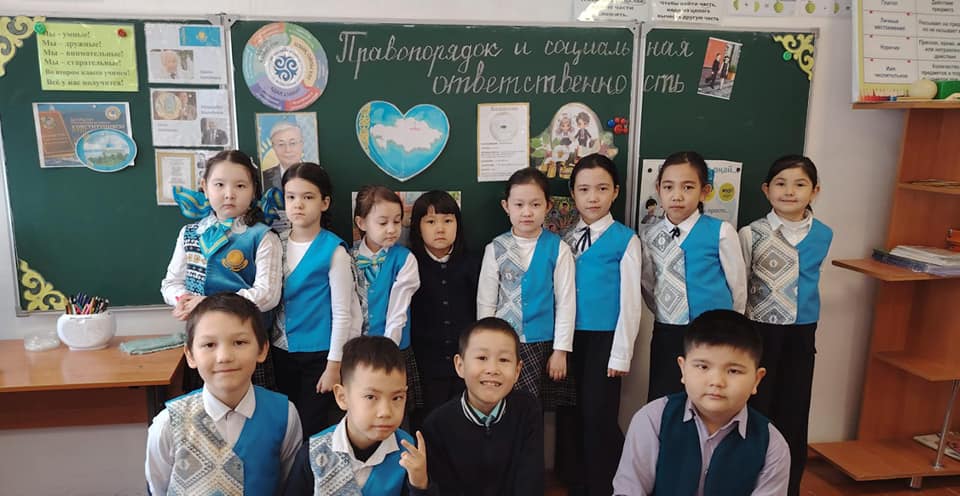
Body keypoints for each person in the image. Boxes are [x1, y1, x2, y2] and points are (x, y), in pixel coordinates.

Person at [613, 309, 790, 496]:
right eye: (703, 367)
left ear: (757, 379)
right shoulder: (652, 420)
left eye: (733, 371)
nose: (717, 382)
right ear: (683, 369)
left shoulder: (771, 445)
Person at [145, 293, 303, 495]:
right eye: (209, 345)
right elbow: (158, 488)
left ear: (262, 349)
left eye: (239, 342)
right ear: (190, 355)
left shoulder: (285, 415)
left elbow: (288, 485)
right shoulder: (168, 423)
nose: (224, 357)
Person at [740, 155, 832, 496]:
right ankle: (748, 482)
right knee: (757, 406)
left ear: (815, 191)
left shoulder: (823, 234)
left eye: (800, 184)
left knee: (794, 408)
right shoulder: (751, 233)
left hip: (802, 333)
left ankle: (788, 487)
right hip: (760, 330)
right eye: (780, 183)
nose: (789, 191)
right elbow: (740, 284)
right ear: (766, 190)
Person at [556, 154, 643, 496]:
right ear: (573, 194)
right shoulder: (565, 237)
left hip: (605, 339)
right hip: (566, 337)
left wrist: (621, 353)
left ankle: (603, 484)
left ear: (616, 192)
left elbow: (631, 303)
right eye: (584, 189)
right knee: (570, 410)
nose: (593, 197)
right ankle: (572, 479)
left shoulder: (625, 239)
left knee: (598, 413)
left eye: (602, 189)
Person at [161, 150, 281, 388]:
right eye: (219, 185)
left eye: (240, 186)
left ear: (253, 190)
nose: (229, 194)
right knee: (203, 406)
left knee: (254, 404)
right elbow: (171, 283)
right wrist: (182, 299)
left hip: (245, 342)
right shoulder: (189, 233)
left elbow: (267, 295)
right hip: (203, 343)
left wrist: (206, 303)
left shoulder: (262, 236)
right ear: (205, 187)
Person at [641, 151, 746, 402]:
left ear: (704, 191)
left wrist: (731, 325)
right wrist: (667, 312)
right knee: (666, 396)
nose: (677, 195)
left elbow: (738, 286)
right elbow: (648, 284)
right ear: (658, 189)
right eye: (668, 187)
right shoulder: (649, 236)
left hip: (714, 332)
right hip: (668, 330)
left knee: (709, 395)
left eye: (688, 187)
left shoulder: (721, 231)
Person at [283, 336, 431, 495]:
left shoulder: (410, 455)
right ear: (342, 397)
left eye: (397, 398)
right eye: (371, 397)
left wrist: (419, 485)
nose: (386, 412)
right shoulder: (313, 453)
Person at [272, 162, 356, 438]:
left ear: (324, 203)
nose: (298, 204)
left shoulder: (334, 250)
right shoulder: (274, 243)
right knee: (285, 427)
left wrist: (334, 365)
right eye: (291, 197)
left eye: (308, 197)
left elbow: (343, 313)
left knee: (310, 429)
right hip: (280, 351)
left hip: (318, 356)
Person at [477, 168, 575, 402]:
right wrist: (485, 347)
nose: (527, 212)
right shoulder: (495, 248)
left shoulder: (559, 249)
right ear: (506, 206)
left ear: (548, 206)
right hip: (502, 344)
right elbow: (486, 302)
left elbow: (566, 303)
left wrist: (560, 351)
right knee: (502, 404)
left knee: (534, 408)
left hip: (544, 344)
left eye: (535, 204)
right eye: (519, 205)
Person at [422, 317, 545, 495]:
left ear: (517, 371)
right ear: (460, 365)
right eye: (482, 358)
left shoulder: (527, 409)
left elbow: (530, 481)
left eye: (504, 360)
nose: (492, 369)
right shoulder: (437, 425)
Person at [408, 190, 479, 431]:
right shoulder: (409, 264)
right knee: (427, 426)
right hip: (425, 365)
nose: (440, 229)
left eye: (448, 221)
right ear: (418, 227)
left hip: (466, 364)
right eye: (430, 222)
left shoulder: (472, 263)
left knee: (465, 426)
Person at [351, 185, 423, 411]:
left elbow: (398, 312)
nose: (392, 229)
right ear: (362, 223)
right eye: (383, 223)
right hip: (357, 349)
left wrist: (387, 352)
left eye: (397, 221)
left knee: (395, 409)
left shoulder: (405, 259)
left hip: (394, 348)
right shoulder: (347, 257)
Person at [263, 121, 306, 190]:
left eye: (292, 143)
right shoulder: (264, 177)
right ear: (273, 147)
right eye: (281, 144)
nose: (288, 150)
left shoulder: (313, 174)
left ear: (301, 144)